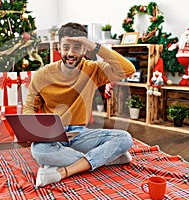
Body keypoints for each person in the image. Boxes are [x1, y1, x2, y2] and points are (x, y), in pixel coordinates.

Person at [23, 22, 136, 187]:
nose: (70, 53)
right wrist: (30, 126)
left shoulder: (93, 70)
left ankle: (63, 171)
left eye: (77, 47)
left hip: (79, 134)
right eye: (66, 47)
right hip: (52, 134)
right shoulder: (42, 75)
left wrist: (94, 46)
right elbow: (29, 107)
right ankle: (104, 158)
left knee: (124, 138)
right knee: (39, 151)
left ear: (85, 49)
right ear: (58, 48)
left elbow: (128, 69)